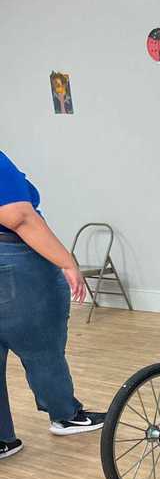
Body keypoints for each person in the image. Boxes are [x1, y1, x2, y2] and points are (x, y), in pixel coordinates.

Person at [0, 151, 105, 459]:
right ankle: (65, 414)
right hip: (13, 261)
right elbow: (18, 216)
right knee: (41, 342)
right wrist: (67, 261)